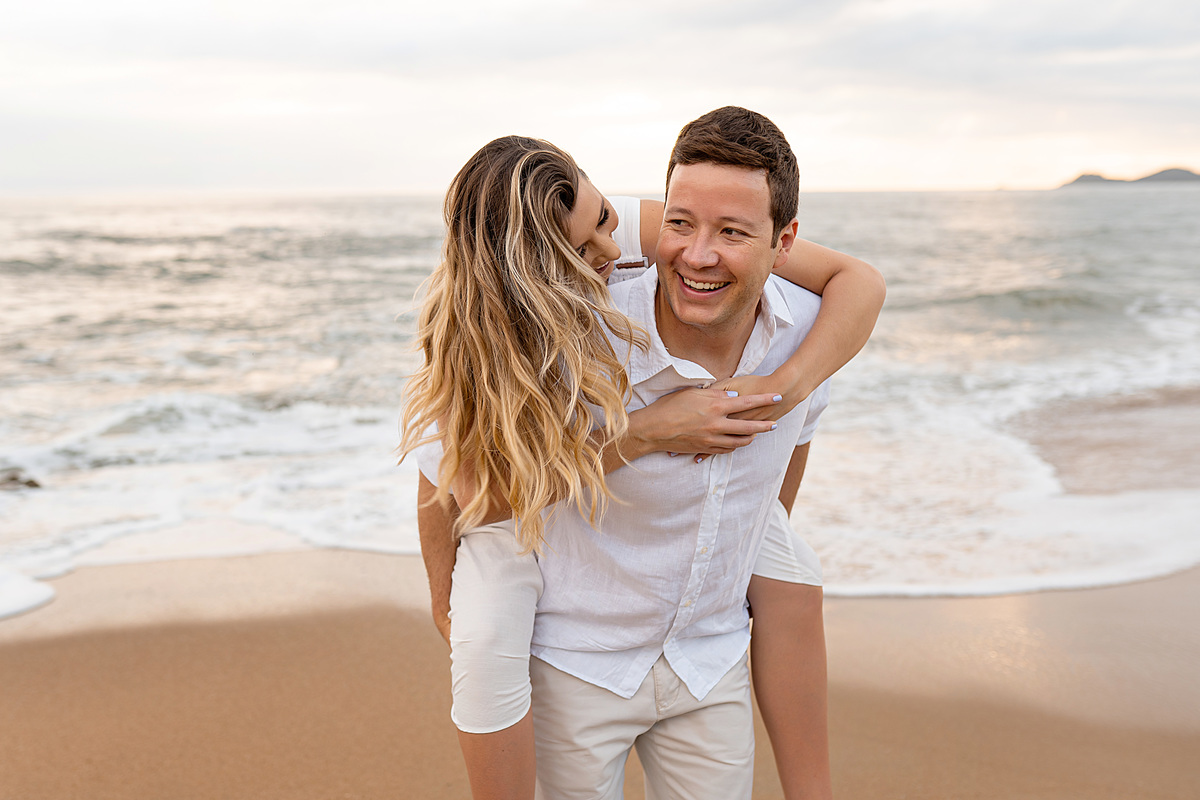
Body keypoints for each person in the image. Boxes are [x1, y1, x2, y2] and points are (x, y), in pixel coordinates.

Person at [402, 113, 883, 798]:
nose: (690, 252)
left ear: (783, 243)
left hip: (706, 658)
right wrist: (647, 432)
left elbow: (850, 306)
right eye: (679, 225)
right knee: (483, 635)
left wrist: (781, 393)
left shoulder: (804, 330)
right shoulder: (555, 332)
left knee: (790, 568)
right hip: (578, 659)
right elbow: (452, 484)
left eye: (733, 232)